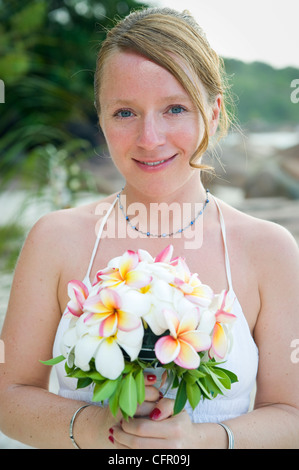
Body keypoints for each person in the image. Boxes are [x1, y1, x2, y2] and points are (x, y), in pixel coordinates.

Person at [0, 7, 299, 449]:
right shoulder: (54, 239)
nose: (150, 138)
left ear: (213, 113)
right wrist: (100, 429)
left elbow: (292, 415)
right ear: (101, 117)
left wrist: (198, 441)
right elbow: (8, 397)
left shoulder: (270, 249)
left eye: (175, 108)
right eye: (125, 113)